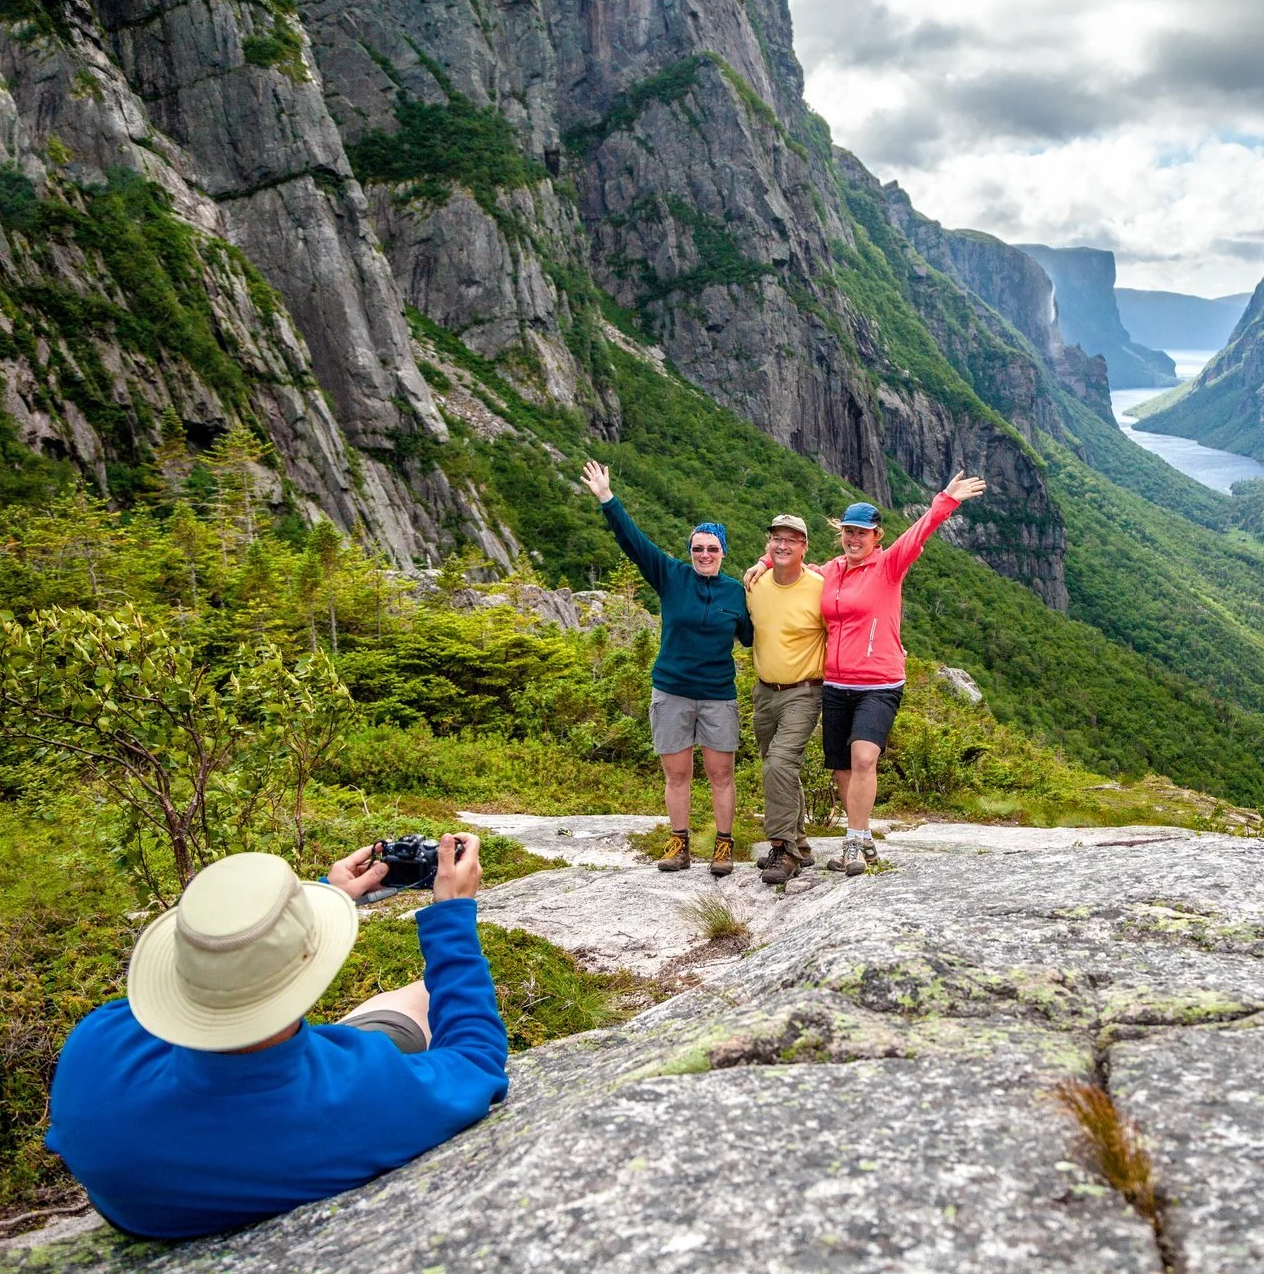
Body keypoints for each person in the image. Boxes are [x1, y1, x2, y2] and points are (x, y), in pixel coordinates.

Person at [45, 835, 505, 1240]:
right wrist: (452, 915)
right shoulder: (358, 1098)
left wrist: (325, 899)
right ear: (312, 966)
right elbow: (477, 1057)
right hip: (298, 1102)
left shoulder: (95, 1044)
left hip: (192, 1154)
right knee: (421, 996)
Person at [748, 473, 987, 876]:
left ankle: (854, 842)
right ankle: (861, 838)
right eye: (848, 532)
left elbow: (919, 531)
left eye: (862, 533)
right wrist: (765, 561)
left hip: (879, 683)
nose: (854, 539)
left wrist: (946, 500)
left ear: (877, 535)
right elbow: (795, 562)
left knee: (863, 757)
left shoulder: (889, 565)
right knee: (842, 765)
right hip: (836, 684)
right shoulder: (832, 570)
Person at [580, 459, 753, 876]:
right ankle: (679, 844)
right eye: (698, 548)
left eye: (712, 548)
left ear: (723, 552)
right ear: (689, 551)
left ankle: (724, 846)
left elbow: (754, 635)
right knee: (677, 775)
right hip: (672, 690)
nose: (705, 554)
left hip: (717, 694)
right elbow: (633, 541)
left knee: (721, 774)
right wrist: (607, 498)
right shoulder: (671, 576)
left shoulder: (737, 592)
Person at [745, 513, 827, 885]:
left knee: (779, 763)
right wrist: (759, 565)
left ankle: (783, 849)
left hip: (804, 692)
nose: (782, 545)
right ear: (768, 544)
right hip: (764, 692)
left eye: (792, 540)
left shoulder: (819, 586)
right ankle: (802, 844)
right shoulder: (755, 583)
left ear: (804, 547)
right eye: (776, 538)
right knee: (779, 767)